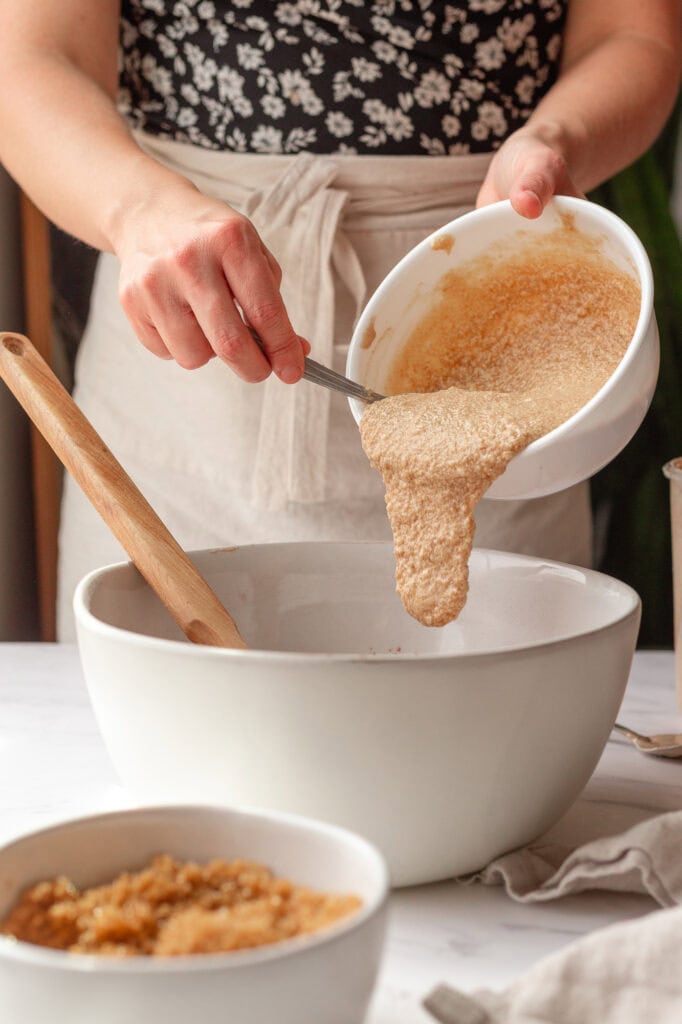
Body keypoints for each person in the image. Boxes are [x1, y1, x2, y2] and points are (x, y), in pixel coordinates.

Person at [0, 1, 679, 640]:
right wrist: (139, 210)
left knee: (502, 732)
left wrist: (555, 137)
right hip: (184, 326)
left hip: (502, 286)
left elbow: (635, 34)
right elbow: (30, 54)